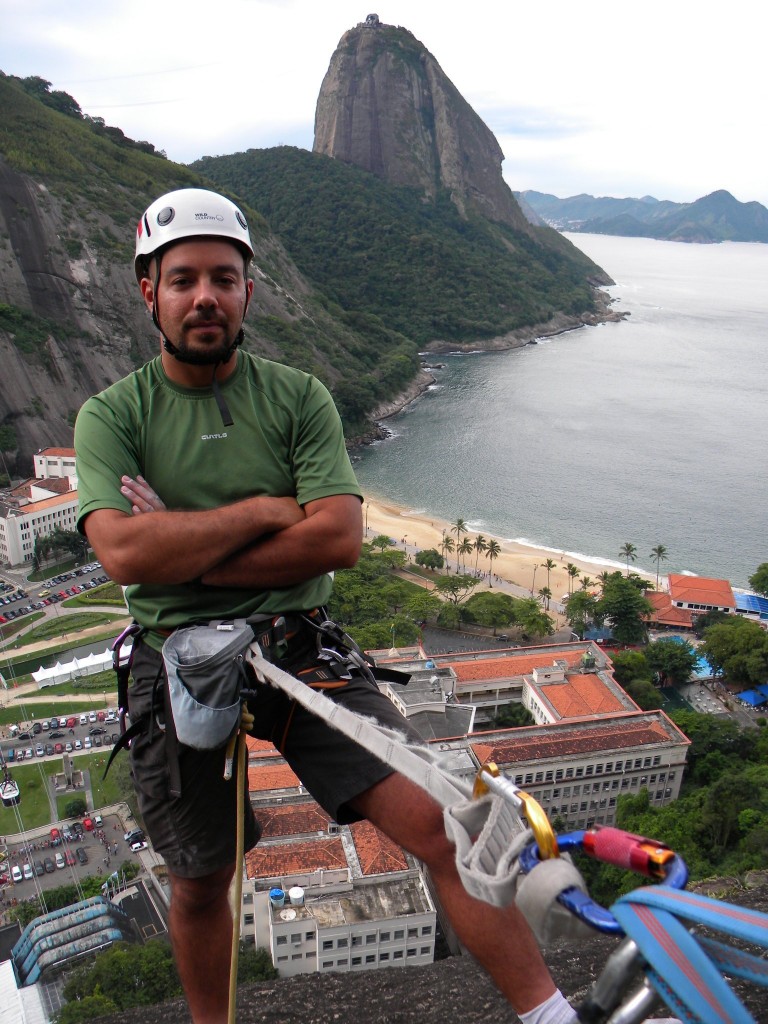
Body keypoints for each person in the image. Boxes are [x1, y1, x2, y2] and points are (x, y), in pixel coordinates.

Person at [74, 188, 575, 1024]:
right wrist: (271, 511)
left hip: (297, 642)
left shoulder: (297, 396)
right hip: (177, 659)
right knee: (200, 878)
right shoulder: (113, 415)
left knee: (445, 826)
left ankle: (550, 1016)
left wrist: (184, 547)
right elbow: (124, 554)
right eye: (184, 279)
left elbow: (337, 539)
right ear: (149, 291)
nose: (205, 297)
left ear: (248, 291)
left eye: (223, 279)